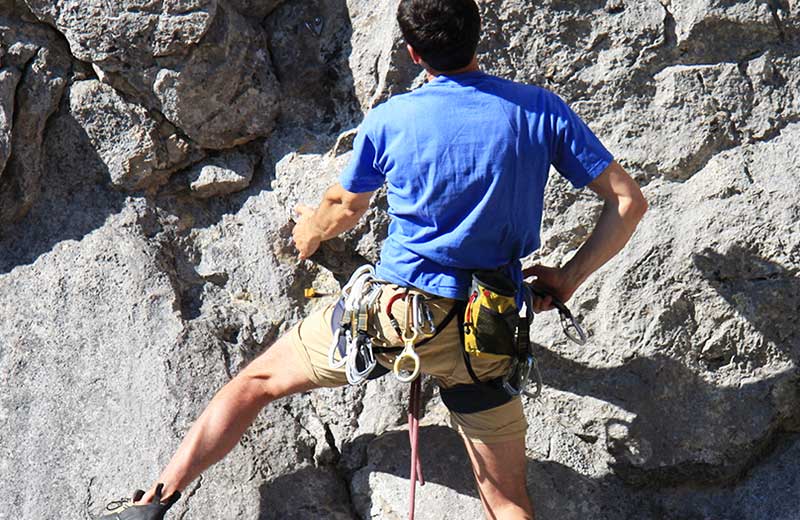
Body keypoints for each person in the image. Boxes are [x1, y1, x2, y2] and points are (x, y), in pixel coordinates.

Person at [100, 0, 647, 518]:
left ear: (412, 52)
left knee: (255, 383)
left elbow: (344, 206)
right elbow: (628, 202)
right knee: (507, 504)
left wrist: (308, 233)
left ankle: (153, 501)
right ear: (478, 33)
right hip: (487, 333)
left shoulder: (393, 119)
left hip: (396, 320)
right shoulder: (539, 111)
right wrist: (568, 278)